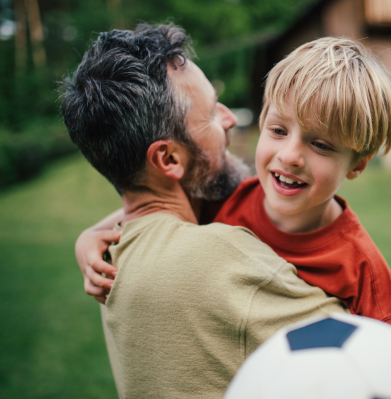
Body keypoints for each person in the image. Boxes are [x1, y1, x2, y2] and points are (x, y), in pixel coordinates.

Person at [79, 37, 391, 372]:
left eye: (320, 145)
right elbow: (156, 214)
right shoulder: (233, 197)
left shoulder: (359, 263)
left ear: (357, 165)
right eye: (279, 130)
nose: (289, 156)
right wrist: (93, 235)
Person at [62, 23, 347, 398]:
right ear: (168, 158)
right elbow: (370, 359)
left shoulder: (112, 253)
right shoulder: (219, 256)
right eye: (211, 113)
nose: (230, 119)